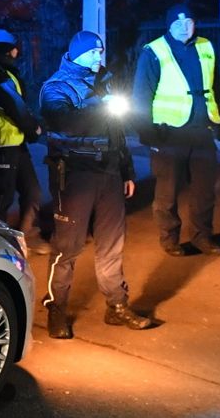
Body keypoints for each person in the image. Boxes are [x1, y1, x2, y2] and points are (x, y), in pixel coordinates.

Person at [39, 30, 158, 338]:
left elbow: (118, 135)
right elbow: (64, 121)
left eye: (101, 51)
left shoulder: (106, 84)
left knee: (112, 244)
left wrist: (127, 171)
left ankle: (117, 306)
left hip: (109, 173)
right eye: (93, 52)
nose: (99, 57)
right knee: (68, 246)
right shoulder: (56, 86)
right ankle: (57, 308)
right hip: (75, 175)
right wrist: (101, 107)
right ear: (77, 54)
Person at [132, 4, 220, 257]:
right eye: (177, 23)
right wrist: (147, 132)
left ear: (195, 24)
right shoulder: (154, 51)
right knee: (167, 193)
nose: (184, 27)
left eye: (189, 22)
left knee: (204, 192)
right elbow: (141, 95)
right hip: (168, 134)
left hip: (202, 131)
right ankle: (170, 238)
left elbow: (217, 87)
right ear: (168, 25)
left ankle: (202, 237)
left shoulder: (206, 46)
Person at [0, 28, 44, 248]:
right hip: (3, 147)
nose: (18, 52)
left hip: (14, 145)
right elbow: (17, 108)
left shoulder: (1, 74)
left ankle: (25, 236)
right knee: (3, 198)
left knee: (32, 192)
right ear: (9, 51)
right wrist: (34, 129)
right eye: (15, 48)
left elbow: (18, 105)